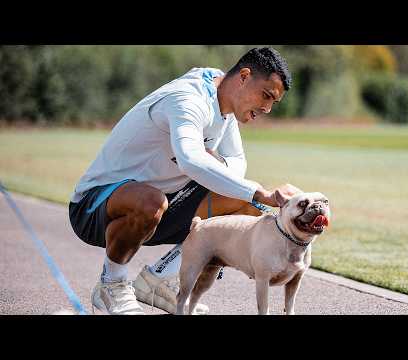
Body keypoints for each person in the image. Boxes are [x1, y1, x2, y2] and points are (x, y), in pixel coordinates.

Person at [68, 47, 294, 315]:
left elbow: (236, 163)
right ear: (244, 76)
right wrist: (259, 192)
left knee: (246, 207)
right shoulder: (188, 99)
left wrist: (217, 165)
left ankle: (159, 279)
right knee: (155, 201)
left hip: (163, 206)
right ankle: (111, 284)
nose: (267, 108)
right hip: (94, 206)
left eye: (273, 102)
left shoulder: (225, 104)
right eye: (266, 95)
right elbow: (190, 160)